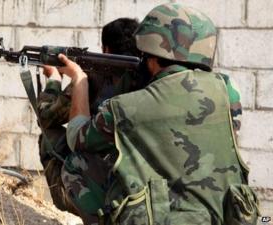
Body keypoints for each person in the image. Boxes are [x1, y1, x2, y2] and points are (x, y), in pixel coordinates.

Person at [56, 3, 259, 225]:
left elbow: (77, 137)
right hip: (230, 216)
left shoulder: (126, 108)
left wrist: (79, 80)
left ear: (150, 54)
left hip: (167, 218)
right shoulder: (228, 89)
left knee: (77, 163)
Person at [37, 18, 140, 224]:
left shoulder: (95, 78)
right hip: (142, 186)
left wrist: (54, 80)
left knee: (49, 137)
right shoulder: (150, 77)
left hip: (101, 184)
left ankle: (78, 204)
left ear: (106, 48)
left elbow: (46, 116)